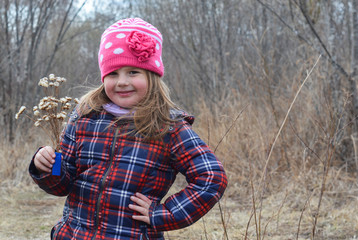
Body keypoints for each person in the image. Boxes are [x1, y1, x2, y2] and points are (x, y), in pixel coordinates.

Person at [29, 17, 227, 240]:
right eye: (113, 73)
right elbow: (61, 185)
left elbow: (212, 177)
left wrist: (164, 214)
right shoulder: (85, 117)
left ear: (152, 77)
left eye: (133, 72)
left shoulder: (168, 127)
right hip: (75, 235)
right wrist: (47, 166)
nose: (122, 81)